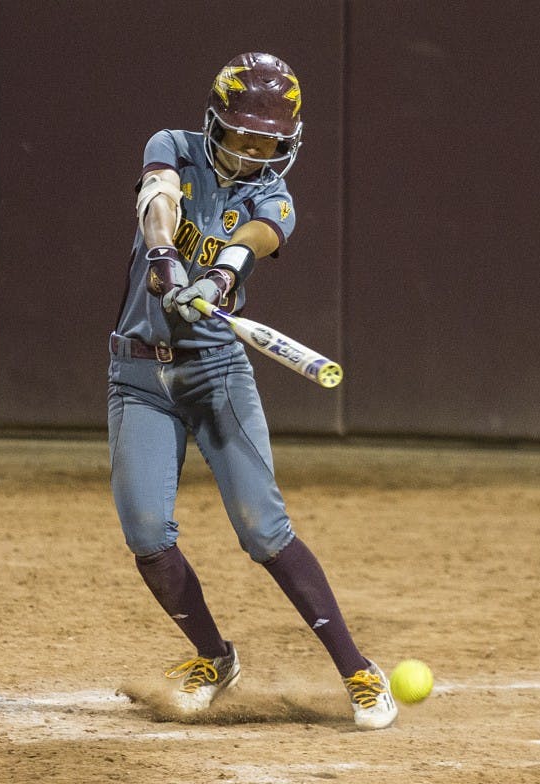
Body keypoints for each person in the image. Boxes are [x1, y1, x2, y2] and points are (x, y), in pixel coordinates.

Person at [107, 52, 397, 730]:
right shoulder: (172, 146)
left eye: (269, 140)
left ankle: (357, 668)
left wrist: (219, 281)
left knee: (263, 530)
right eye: (243, 134)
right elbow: (159, 200)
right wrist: (165, 256)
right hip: (139, 376)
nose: (255, 148)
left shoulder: (272, 194)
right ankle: (214, 657)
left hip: (215, 372)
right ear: (216, 123)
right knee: (147, 534)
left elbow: (258, 238)